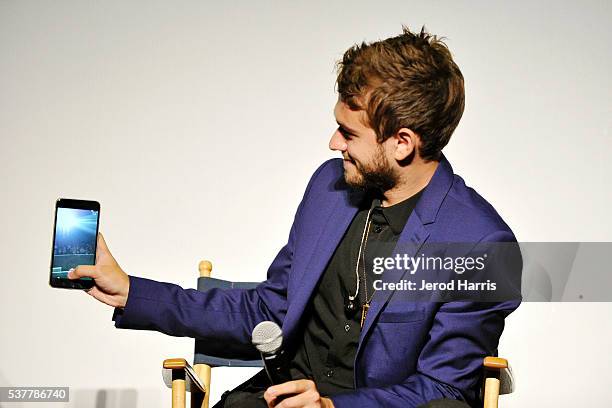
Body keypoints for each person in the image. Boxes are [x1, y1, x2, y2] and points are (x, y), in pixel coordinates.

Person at [69, 26, 521, 408]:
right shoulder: (330, 186)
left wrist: (330, 404)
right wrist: (131, 292)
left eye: (349, 133)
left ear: (402, 142)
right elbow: (268, 308)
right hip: (277, 396)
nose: (333, 143)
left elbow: (443, 389)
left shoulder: (482, 244)